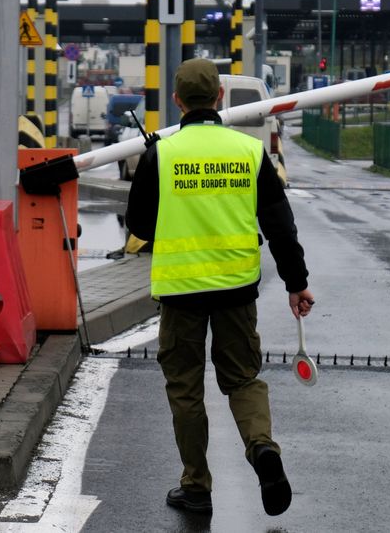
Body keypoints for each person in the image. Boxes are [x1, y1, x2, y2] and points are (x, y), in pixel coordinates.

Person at [126, 58, 314, 517]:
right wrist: (297, 282)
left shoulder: (161, 153)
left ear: (176, 101)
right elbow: (279, 223)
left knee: (186, 388)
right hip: (236, 289)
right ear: (220, 98)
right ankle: (262, 448)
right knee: (243, 379)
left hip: (180, 291)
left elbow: (139, 224)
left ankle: (196, 486)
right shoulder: (248, 153)